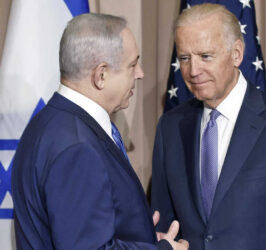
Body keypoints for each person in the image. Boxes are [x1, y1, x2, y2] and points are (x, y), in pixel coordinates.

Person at [151, 3, 266, 250]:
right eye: (184, 58)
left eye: (206, 56)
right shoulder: (170, 128)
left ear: (237, 54)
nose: (193, 70)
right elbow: (164, 230)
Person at [11, 13, 188, 250]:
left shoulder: (48, 122)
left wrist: (142, 236)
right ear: (101, 75)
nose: (140, 73)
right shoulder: (77, 146)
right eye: (132, 64)